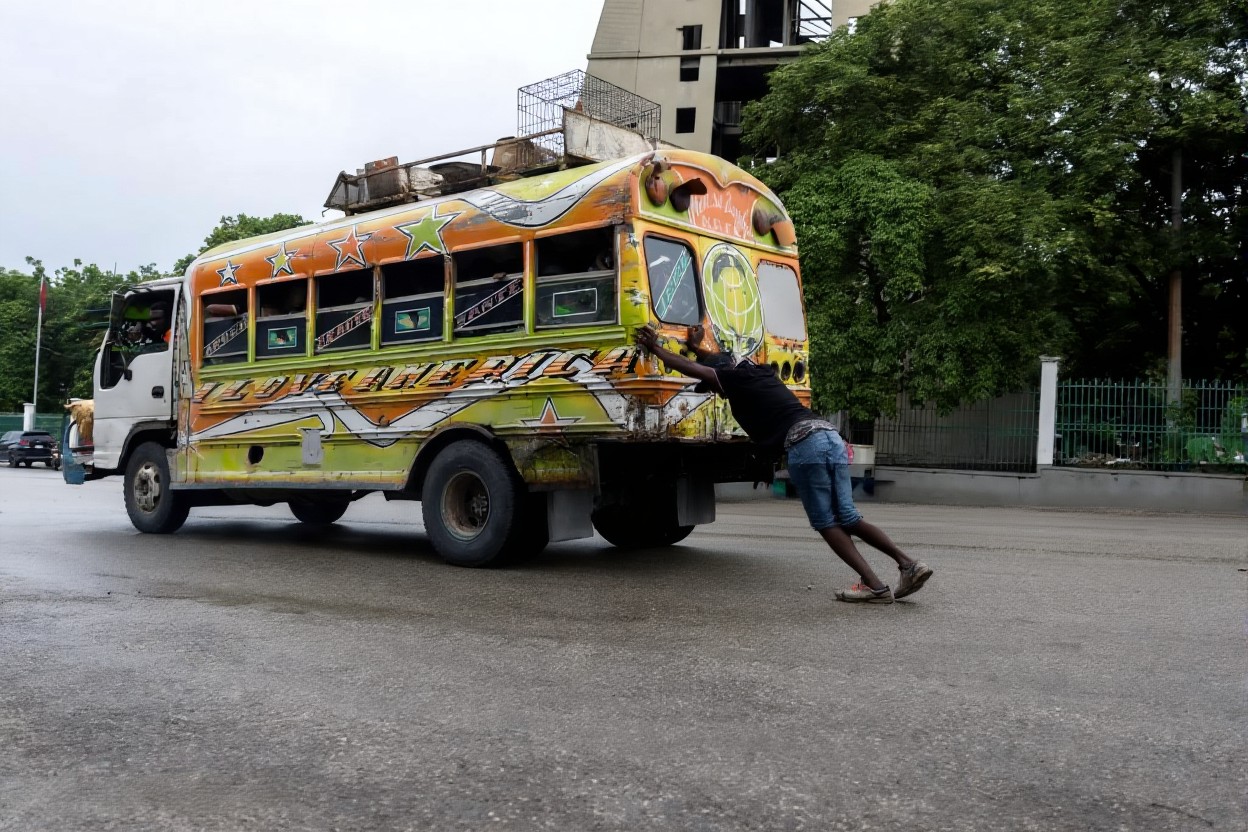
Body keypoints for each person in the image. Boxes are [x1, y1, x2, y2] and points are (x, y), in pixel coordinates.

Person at [635, 323, 933, 604]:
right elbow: (718, 362)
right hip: (830, 436)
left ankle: (873, 585)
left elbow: (703, 369)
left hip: (805, 444)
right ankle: (908, 564)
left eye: (712, 387)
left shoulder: (734, 379)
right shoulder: (757, 375)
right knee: (848, 516)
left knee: (826, 522)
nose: (713, 391)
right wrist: (699, 347)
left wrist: (657, 348)